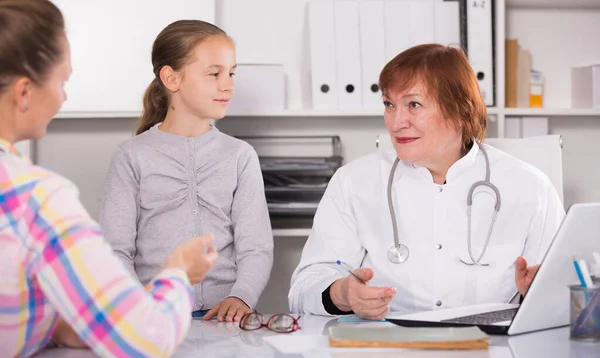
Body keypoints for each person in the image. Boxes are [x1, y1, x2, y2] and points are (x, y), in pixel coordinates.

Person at [0, 1, 218, 357]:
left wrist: (55, 324)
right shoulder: (35, 197)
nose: (63, 95)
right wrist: (177, 273)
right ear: (24, 92)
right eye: (61, 80)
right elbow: (147, 339)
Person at [289, 44, 565, 320]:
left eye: (414, 105)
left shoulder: (531, 188)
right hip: (385, 347)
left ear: (461, 111)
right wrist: (342, 294)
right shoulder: (353, 182)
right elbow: (302, 291)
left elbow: (567, 298)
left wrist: (541, 294)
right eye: (389, 104)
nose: (396, 123)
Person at [100, 20, 273, 323]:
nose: (228, 84)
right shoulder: (131, 156)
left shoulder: (240, 156)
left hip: (225, 320)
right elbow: (115, 250)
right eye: (214, 73)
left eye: (231, 73)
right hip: (153, 317)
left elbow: (256, 247)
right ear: (171, 78)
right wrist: (139, 308)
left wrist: (241, 295)